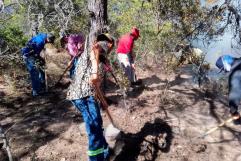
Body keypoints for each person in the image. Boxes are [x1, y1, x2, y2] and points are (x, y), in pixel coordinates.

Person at [66, 33, 115, 161]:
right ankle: (96, 158)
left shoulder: (101, 58)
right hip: (82, 96)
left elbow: (96, 85)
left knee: (96, 124)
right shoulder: (93, 49)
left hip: (89, 94)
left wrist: (103, 101)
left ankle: (104, 150)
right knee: (94, 129)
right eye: (109, 46)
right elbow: (95, 50)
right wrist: (94, 72)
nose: (108, 49)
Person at [21, 32, 55, 97]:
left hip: (33, 54)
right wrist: (42, 60)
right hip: (28, 55)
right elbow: (36, 53)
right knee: (34, 73)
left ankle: (42, 86)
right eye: (49, 41)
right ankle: (36, 92)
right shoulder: (40, 41)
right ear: (48, 39)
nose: (49, 43)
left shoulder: (44, 36)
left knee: (41, 70)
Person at [216, 55, 241, 124]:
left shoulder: (235, 71)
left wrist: (234, 111)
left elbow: (235, 92)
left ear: (226, 63)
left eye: (223, 68)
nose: (224, 71)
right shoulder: (238, 61)